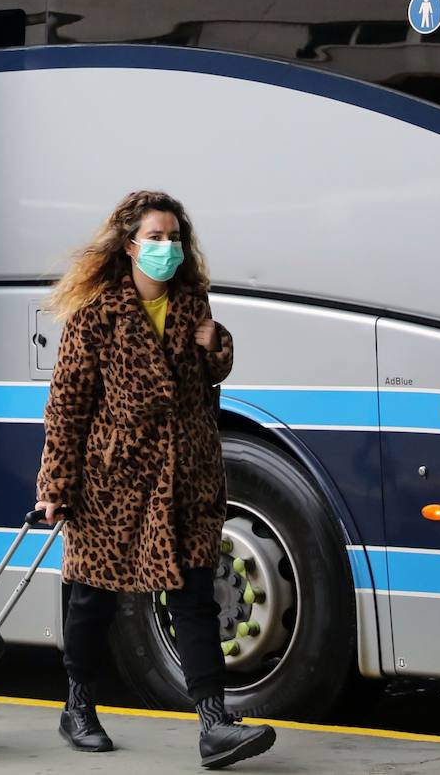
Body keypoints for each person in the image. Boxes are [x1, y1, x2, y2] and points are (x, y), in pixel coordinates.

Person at [35, 191, 276, 769]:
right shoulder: (96, 315)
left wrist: (217, 345)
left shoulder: (193, 306)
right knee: (93, 599)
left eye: (175, 238)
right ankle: (79, 706)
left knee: (195, 598)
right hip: (113, 482)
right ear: (129, 245)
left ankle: (214, 722)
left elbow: (211, 377)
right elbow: (67, 406)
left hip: (188, 476)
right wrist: (55, 486)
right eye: (157, 238)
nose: (168, 248)